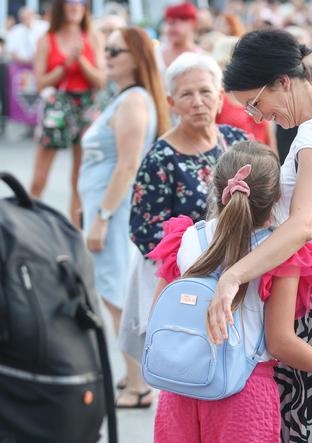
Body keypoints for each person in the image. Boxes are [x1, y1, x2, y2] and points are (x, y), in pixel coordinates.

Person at [147, 142, 312, 442]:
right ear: (278, 196)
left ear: (217, 188)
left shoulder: (187, 238)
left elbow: (156, 315)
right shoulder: (280, 253)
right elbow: (280, 343)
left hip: (178, 388)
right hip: (242, 392)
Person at [213, 29, 312, 441]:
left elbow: (302, 226)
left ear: (283, 81)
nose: (257, 117)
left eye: (256, 103)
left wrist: (233, 277)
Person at [120, 53, 247, 407]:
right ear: (171, 103)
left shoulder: (235, 140)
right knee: (192, 373)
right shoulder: (161, 157)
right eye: (187, 95)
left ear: (221, 96)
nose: (198, 102)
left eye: (206, 92)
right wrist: (198, 260)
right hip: (187, 284)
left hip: (240, 276)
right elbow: (144, 231)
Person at [78, 27, 169, 408]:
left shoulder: (134, 101)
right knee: (114, 293)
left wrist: (101, 216)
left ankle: (138, 384)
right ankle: (132, 375)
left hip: (112, 213)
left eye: (117, 50)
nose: (108, 54)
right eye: (108, 47)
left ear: (136, 57)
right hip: (106, 209)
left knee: (117, 296)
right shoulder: (125, 98)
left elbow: (128, 165)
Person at [31, 0, 105, 229]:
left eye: (81, 2)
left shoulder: (93, 38)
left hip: (85, 104)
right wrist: (66, 64)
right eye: (70, 2)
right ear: (61, 6)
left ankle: (74, 234)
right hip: (57, 104)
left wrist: (81, 60)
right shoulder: (47, 39)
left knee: (79, 178)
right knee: (39, 177)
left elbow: (101, 81)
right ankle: (28, 225)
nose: (75, 6)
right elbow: (40, 83)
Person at [159, 2, 201, 69]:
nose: (170, 28)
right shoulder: (156, 54)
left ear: (192, 24)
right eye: (168, 23)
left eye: (175, 23)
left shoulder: (201, 58)